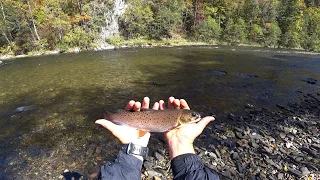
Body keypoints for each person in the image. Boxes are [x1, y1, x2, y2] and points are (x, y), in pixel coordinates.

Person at [95, 97, 220, 180]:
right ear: (183, 116)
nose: (196, 117)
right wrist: (183, 144)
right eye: (193, 116)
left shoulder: (179, 120)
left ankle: (112, 116)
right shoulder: (177, 119)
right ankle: (111, 117)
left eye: (195, 116)